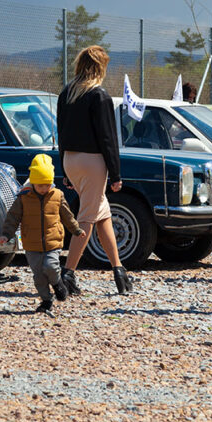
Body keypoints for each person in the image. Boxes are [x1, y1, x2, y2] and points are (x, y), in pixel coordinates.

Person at [56, 45, 133, 295]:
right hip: (93, 162)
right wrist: (116, 173)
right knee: (87, 217)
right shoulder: (98, 95)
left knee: (102, 214)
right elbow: (108, 138)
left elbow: (61, 133)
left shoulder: (67, 93)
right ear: (100, 67)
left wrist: (65, 169)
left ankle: (119, 271)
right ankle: (67, 274)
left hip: (71, 159)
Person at [0, 154, 87, 313]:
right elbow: (13, 217)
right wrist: (6, 234)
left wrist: (76, 229)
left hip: (53, 241)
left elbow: (67, 215)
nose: (44, 189)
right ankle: (46, 300)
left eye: (47, 185)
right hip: (31, 243)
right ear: (32, 182)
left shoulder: (57, 196)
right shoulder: (24, 198)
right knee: (38, 275)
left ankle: (57, 283)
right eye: (40, 185)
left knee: (51, 266)